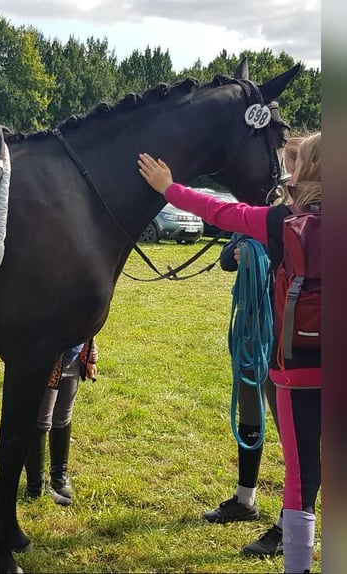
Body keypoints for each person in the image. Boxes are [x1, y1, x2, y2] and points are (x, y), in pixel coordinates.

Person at [138, 132, 321, 574]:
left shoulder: (281, 222)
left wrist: (168, 188)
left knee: (300, 473)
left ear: (307, 170)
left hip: (295, 369)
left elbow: (220, 211)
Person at [203, 136, 302, 557]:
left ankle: (289, 522)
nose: (284, 174)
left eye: (291, 165)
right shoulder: (267, 213)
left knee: (293, 432)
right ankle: (245, 499)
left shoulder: (303, 222)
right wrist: (242, 250)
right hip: (251, 335)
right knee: (250, 412)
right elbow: (226, 257)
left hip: (287, 343)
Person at [23, 338, 98, 506]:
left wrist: (90, 357)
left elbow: (89, 325)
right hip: (47, 362)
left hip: (74, 361)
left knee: (63, 418)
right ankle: (35, 484)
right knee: (41, 421)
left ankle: (60, 477)